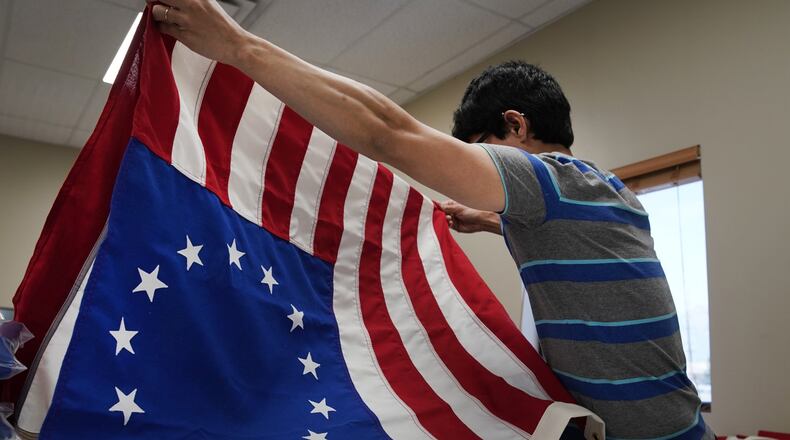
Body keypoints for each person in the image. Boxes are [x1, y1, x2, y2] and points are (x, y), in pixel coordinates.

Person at [147, 1, 714, 438]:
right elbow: (590, 252)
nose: (483, 168)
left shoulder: (545, 181)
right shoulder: (608, 193)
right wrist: (492, 220)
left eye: (483, 150)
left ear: (515, 128)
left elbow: (387, 132)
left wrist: (239, 47)